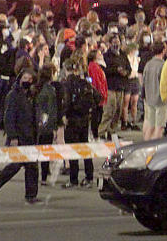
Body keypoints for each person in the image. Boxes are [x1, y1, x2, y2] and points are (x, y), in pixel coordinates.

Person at [0, 69, 40, 204]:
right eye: (25, 78)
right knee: (15, 166)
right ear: (20, 79)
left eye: (30, 78)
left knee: (32, 167)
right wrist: (13, 137)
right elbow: (8, 117)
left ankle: (31, 195)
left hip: (30, 137)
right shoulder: (13, 95)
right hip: (19, 136)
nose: (27, 81)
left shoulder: (31, 96)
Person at [61, 58, 101, 187]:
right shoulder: (85, 82)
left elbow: (66, 102)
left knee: (72, 150)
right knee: (85, 149)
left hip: (72, 119)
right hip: (84, 119)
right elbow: (98, 96)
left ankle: (73, 179)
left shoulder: (66, 83)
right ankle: (89, 177)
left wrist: (64, 115)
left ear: (65, 69)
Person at [99, 35, 130, 139]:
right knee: (109, 110)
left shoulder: (123, 55)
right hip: (110, 87)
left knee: (118, 110)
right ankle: (102, 132)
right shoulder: (106, 56)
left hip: (120, 87)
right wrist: (116, 70)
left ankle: (112, 131)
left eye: (118, 42)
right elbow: (104, 70)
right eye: (114, 42)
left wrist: (126, 72)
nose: (116, 44)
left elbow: (128, 67)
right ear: (110, 44)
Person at [33, 64, 59, 185]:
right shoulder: (50, 91)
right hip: (46, 125)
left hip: (36, 124)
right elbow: (51, 111)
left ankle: (36, 175)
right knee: (46, 153)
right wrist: (52, 128)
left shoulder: (36, 89)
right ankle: (43, 177)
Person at [141, 40, 167, 140]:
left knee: (150, 125)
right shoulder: (163, 65)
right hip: (160, 99)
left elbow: (144, 81)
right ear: (164, 50)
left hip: (149, 98)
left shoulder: (148, 64)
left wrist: (144, 96)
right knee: (159, 127)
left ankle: (145, 145)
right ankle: (155, 149)